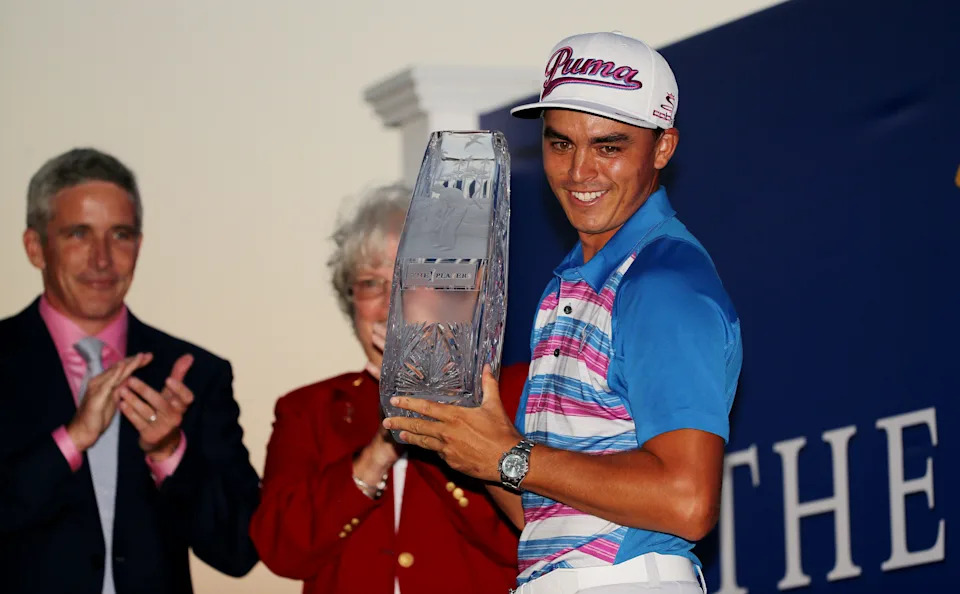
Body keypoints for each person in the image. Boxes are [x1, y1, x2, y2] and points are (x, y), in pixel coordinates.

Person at [384, 31, 743, 594]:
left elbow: (687, 499)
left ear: (663, 148)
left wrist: (511, 454)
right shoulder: (569, 284)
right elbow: (546, 514)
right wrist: (468, 437)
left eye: (609, 146)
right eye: (560, 144)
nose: (579, 172)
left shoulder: (661, 282)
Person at [0, 148, 261, 593]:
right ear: (34, 247)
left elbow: (239, 548)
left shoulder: (196, 375)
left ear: (139, 245)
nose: (102, 259)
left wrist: (169, 452)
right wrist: (72, 439)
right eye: (79, 234)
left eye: (120, 235)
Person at [249, 185, 523, 594]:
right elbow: (280, 551)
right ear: (351, 302)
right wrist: (375, 457)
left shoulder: (511, 393)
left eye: (408, 277)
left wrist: (438, 398)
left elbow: (525, 544)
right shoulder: (310, 409)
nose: (390, 302)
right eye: (370, 283)